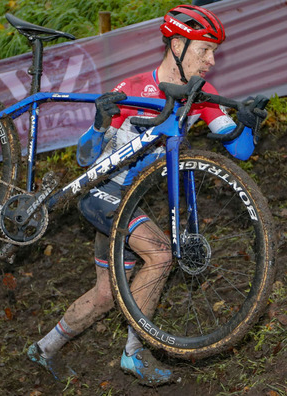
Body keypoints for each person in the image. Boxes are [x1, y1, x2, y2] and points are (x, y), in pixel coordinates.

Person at [27, 4, 264, 387]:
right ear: (177, 45)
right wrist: (99, 124)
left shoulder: (202, 95)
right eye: (205, 50)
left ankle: (44, 347)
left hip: (129, 201)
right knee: (161, 253)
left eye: (213, 52)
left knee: (106, 295)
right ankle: (134, 355)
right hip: (102, 192)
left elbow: (238, 150)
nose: (212, 60)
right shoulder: (134, 88)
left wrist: (249, 124)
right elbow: (85, 157)